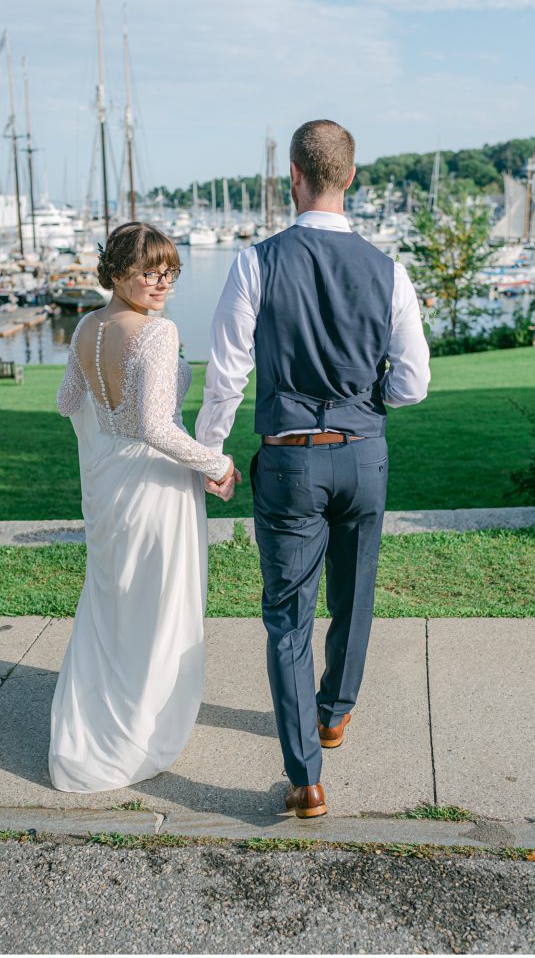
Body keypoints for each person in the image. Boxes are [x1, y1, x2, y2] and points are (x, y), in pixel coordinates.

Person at [196, 120, 431, 818]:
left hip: (291, 460)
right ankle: (335, 713)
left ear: (292, 176)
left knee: (288, 616)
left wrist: (213, 452)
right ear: (349, 178)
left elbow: (226, 375)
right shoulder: (389, 270)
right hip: (362, 455)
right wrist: (363, 406)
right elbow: (414, 382)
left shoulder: (255, 262)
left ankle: (306, 776)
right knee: (355, 591)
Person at [48, 222, 236, 793]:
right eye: (149, 272)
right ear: (117, 272)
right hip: (154, 489)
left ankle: (99, 720)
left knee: (115, 605)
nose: (161, 283)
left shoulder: (85, 326)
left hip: (109, 486)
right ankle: (139, 730)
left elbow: (67, 403)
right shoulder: (156, 334)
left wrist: (111, 428)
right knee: (158, 608)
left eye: (169, 272)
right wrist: (213, 463)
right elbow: (155, 425)